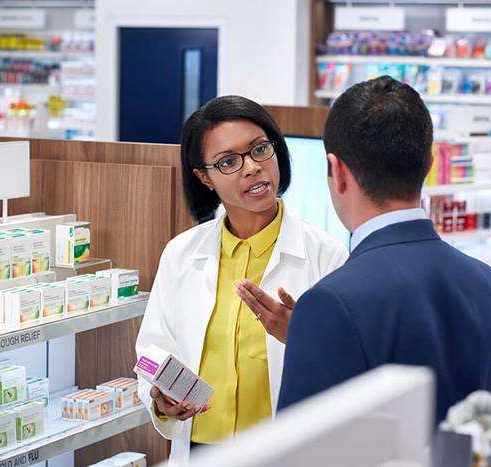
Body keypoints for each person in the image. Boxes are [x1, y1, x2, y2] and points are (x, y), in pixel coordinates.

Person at [274, 76, 491, 424]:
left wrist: (314, 336)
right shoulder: (487, 282)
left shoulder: (331, 303)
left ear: (337, 171)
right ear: (429, 164)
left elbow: (295, 455)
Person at [135, 95, 348, 465]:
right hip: (201, 451)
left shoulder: (326, 256)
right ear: (205, 178)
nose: (252, 168)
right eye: (229, 162)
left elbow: (350, 373)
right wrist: (163, 402)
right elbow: (153, 352)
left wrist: (301, 336)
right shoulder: (181, 254)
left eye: (260, 150)